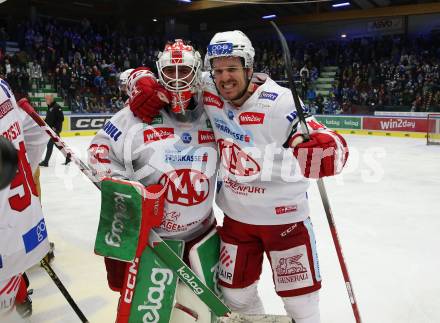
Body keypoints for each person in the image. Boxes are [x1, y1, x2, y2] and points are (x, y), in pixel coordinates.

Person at [201, 30, 349, 323]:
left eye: (232, 69)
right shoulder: (208, 91)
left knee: (300, 304)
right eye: (218, 70)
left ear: (249, 67)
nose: (224, 77)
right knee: (235, 296)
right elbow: (170, 78)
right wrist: (138, 81)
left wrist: (328, 148)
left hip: (285, 222)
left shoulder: (279, 101)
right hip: (236, 221)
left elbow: (318, 133)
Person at [88, 40, 219, 322]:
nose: (176, 78)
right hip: (151, 240)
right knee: (148, 314)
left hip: (202, 235)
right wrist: (127, 191)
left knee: (201, 311)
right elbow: (99, 153)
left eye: (184, 70)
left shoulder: (213, 108)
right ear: (158, 72)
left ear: (198, 72)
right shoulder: (137, 112)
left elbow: (239, 78)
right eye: (169, 70)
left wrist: (136, 76)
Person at [0, 79, 50, 320]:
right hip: (26, 228)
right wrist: (22, 174)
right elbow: (38, 134)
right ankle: (21, 298)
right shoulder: (3, 88)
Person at [39, 94, 70, 166]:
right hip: (50, 129)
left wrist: (55, 128)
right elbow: (50, 119)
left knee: (50, 145)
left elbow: (61, 118)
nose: (46, 100)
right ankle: (68, 157)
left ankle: (46, 162)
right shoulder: (50, 107)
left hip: (54, 130)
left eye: (47, 99)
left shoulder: (57, 107)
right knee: (58, 145)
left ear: (51, 99)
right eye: (45, 99)